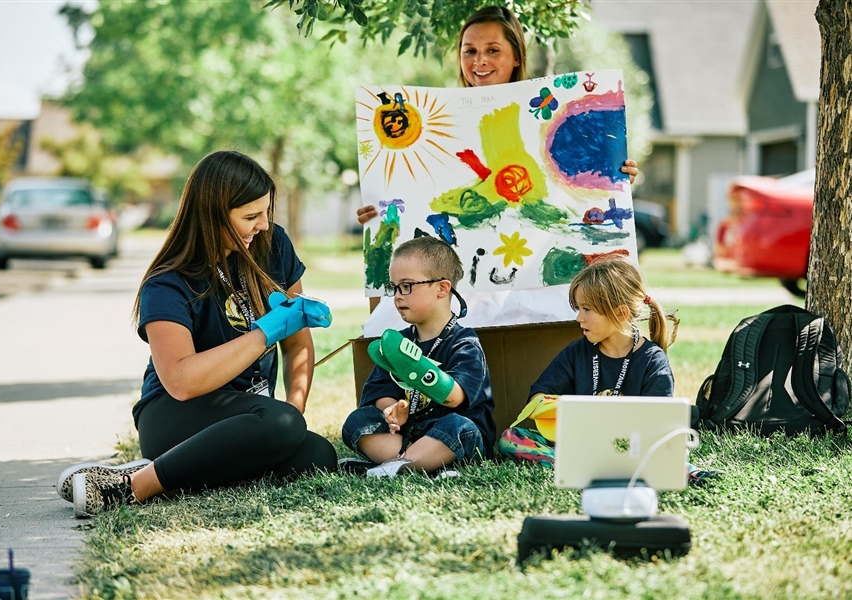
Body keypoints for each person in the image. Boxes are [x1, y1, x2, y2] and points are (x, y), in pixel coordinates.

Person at [57, 150, 336, 517]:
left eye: (266, 212)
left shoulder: (273, 245)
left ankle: (171, 470)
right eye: (251, 217)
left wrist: (294, 412)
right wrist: (265, 333)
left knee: (317, 455)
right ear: (213, 214)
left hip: (251, 415)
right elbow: (181, 381)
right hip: (174, 414)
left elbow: (297, 342)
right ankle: (130, 487)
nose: (264, 225)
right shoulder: (167, 283)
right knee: (280, 424)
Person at [356, 5, 639, 225]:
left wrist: (615, 178)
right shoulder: (437, 120)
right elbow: (418, 192)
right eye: (469, 51)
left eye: (492, 50)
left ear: (516, 57)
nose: (479, 60)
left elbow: (567, 197)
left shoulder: (545, 117)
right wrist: (377, 213)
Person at [498, 256, 678, 465]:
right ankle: (580, 462)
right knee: (510, 438)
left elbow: (658, 422)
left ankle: (577, 464)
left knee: (669, 456)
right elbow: (538, 395)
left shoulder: (652, 360)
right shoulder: (577, 352)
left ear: (620, 313)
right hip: (578, 443)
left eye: (587, 309)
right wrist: (562, 409)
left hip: (630, 447)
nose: (579, 318)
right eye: (578, 309)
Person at [341, 236, 495, 477]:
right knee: (358, 421)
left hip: (452, 436)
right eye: (393, 287)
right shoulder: (396, 343)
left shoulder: (465, 343)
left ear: (442, 288)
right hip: (406, 436)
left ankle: (395, 466)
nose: (397, 296)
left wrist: (414, 368)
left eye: (407, 286)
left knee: (459, 427)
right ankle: (409, 464)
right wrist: (393, 409)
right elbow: (380, 391)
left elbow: (454, 397)